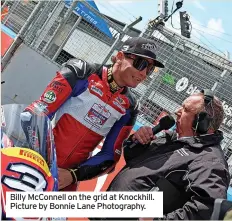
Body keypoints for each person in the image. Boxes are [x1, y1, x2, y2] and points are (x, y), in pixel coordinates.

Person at [20, 37, 165, 191]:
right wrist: (46, 160)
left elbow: (110, 156)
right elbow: (36, 114)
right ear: (121, 56)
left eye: (149, 70)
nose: (143, 74)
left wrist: (72, 175)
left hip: (65, 181)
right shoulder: (81, 72)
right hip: (33, 161)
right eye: (141, 64)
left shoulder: (130, 106)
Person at [103, 89, 230, 220]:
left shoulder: (211, 162)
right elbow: (134, 161)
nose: (177, 111)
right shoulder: (174, 138)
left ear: (202, 123)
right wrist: (138, 141)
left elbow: (206, 211)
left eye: (186, 109)